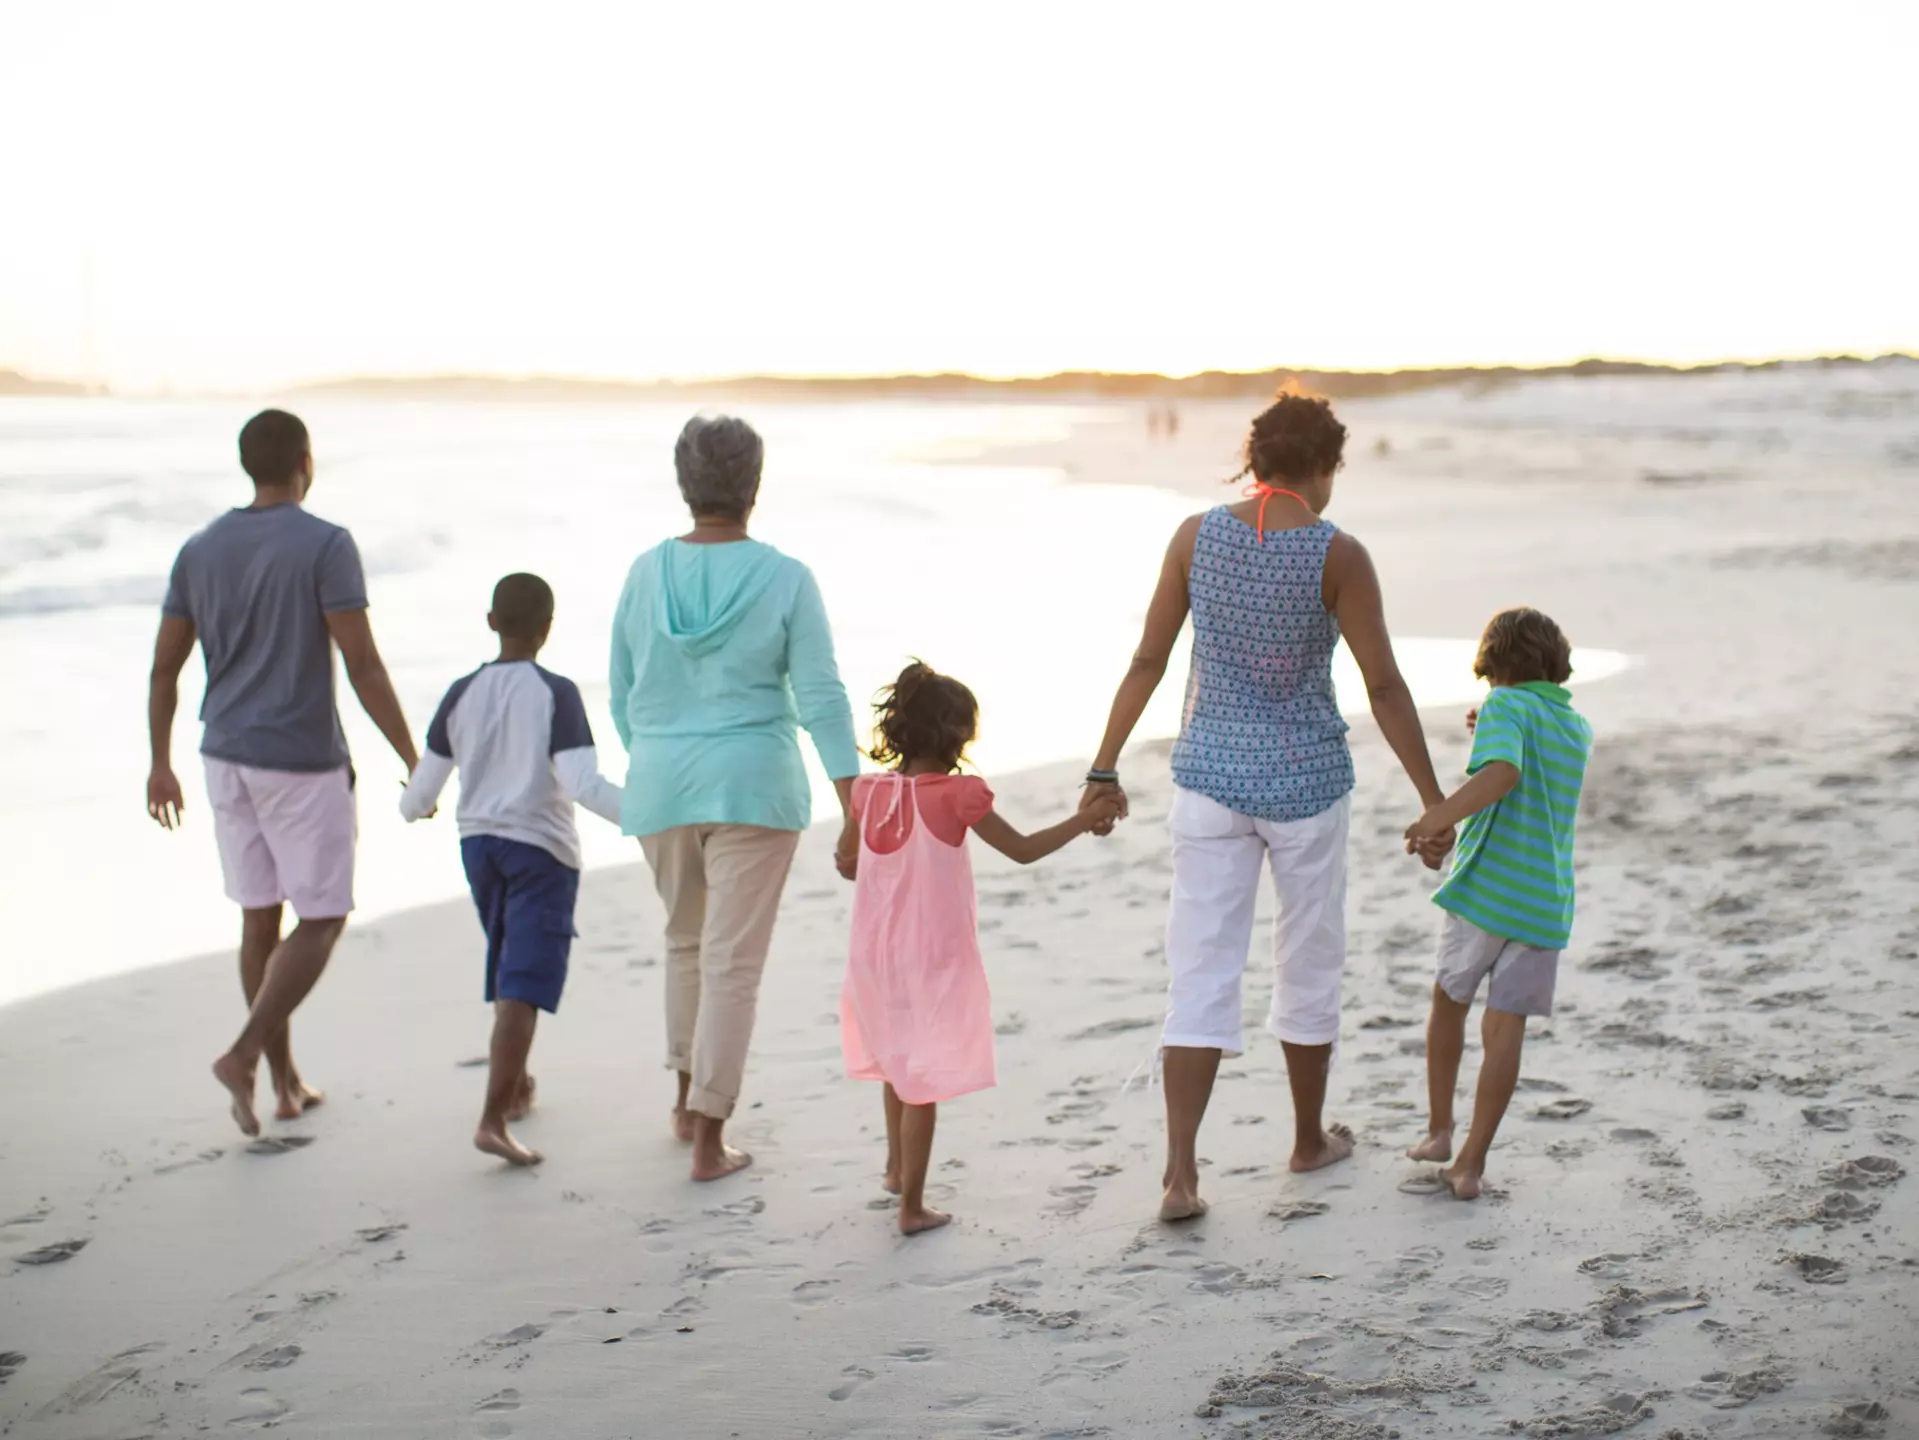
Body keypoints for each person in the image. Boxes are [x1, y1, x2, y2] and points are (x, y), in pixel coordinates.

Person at [1081, 391, 1454, 1222]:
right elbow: (1383, 685)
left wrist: (1102, 766)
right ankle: (1306, 1138)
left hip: (1208, 781)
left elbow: (1148, 658)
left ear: (1253, 462)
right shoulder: (1337, 553)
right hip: (1305, 786)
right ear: (1323, 468)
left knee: (1201, 970)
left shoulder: (1195, 536)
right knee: (1308, 959)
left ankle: (1180, 1174)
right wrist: (1433, 801)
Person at [146, 408, 419, 1136]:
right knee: (323, 916)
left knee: (259, 918)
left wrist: (158, 763)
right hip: (298, 762)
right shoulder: (325, 544)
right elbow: (362, 664)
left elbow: (164, 669)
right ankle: (242, 1056)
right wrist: (412, 756)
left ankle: (285, 1083)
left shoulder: (199, 549)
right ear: (306, 460)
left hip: (222, 758)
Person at [609, 414, 861, 1182]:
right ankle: (710, 1141)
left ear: (685, 485)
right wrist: (854, 802)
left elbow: (623, 694)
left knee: (686, 944)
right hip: (753, 782)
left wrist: (663, 758)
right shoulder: (785, 577)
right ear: (752, 486)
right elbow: (819, 694)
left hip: (660, 783)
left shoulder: (644, 572)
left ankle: (688, 1103)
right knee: (731, 966)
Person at [837, 663, 1123, 1234]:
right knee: (922, 1081)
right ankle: (912, 1207)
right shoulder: (960, 795)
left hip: (875, 954)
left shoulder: (867, 792)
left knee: (896, 1062)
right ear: (957, 736)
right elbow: (1022, 850)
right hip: (933, 955)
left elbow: (847, 864)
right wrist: (1082, 819)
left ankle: (895, 1169)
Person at [400, 573, 624, 1167]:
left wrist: (412, 806)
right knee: (523, 979)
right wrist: (650, 813)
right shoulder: (557, 693)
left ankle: (516, 1087)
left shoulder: (460, 692)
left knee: (507, 966)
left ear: (491, 621)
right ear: (547, 628)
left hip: (478, 848)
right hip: (540, 850)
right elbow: (582, 786)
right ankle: (492, 1120)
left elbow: (421, 793)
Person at [1403, 608, 1593, 1199]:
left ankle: (1439, 1130)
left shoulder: (1504, 708)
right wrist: (1486, 723)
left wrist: (1438, 815)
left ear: (1495, 666)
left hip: (1488, 892)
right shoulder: (1576, 726)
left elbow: (1506, 772)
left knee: (1449, 998)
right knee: (1505, 1027)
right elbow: (1529, 759)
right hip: (1545, 902)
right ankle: (1470, 1164)